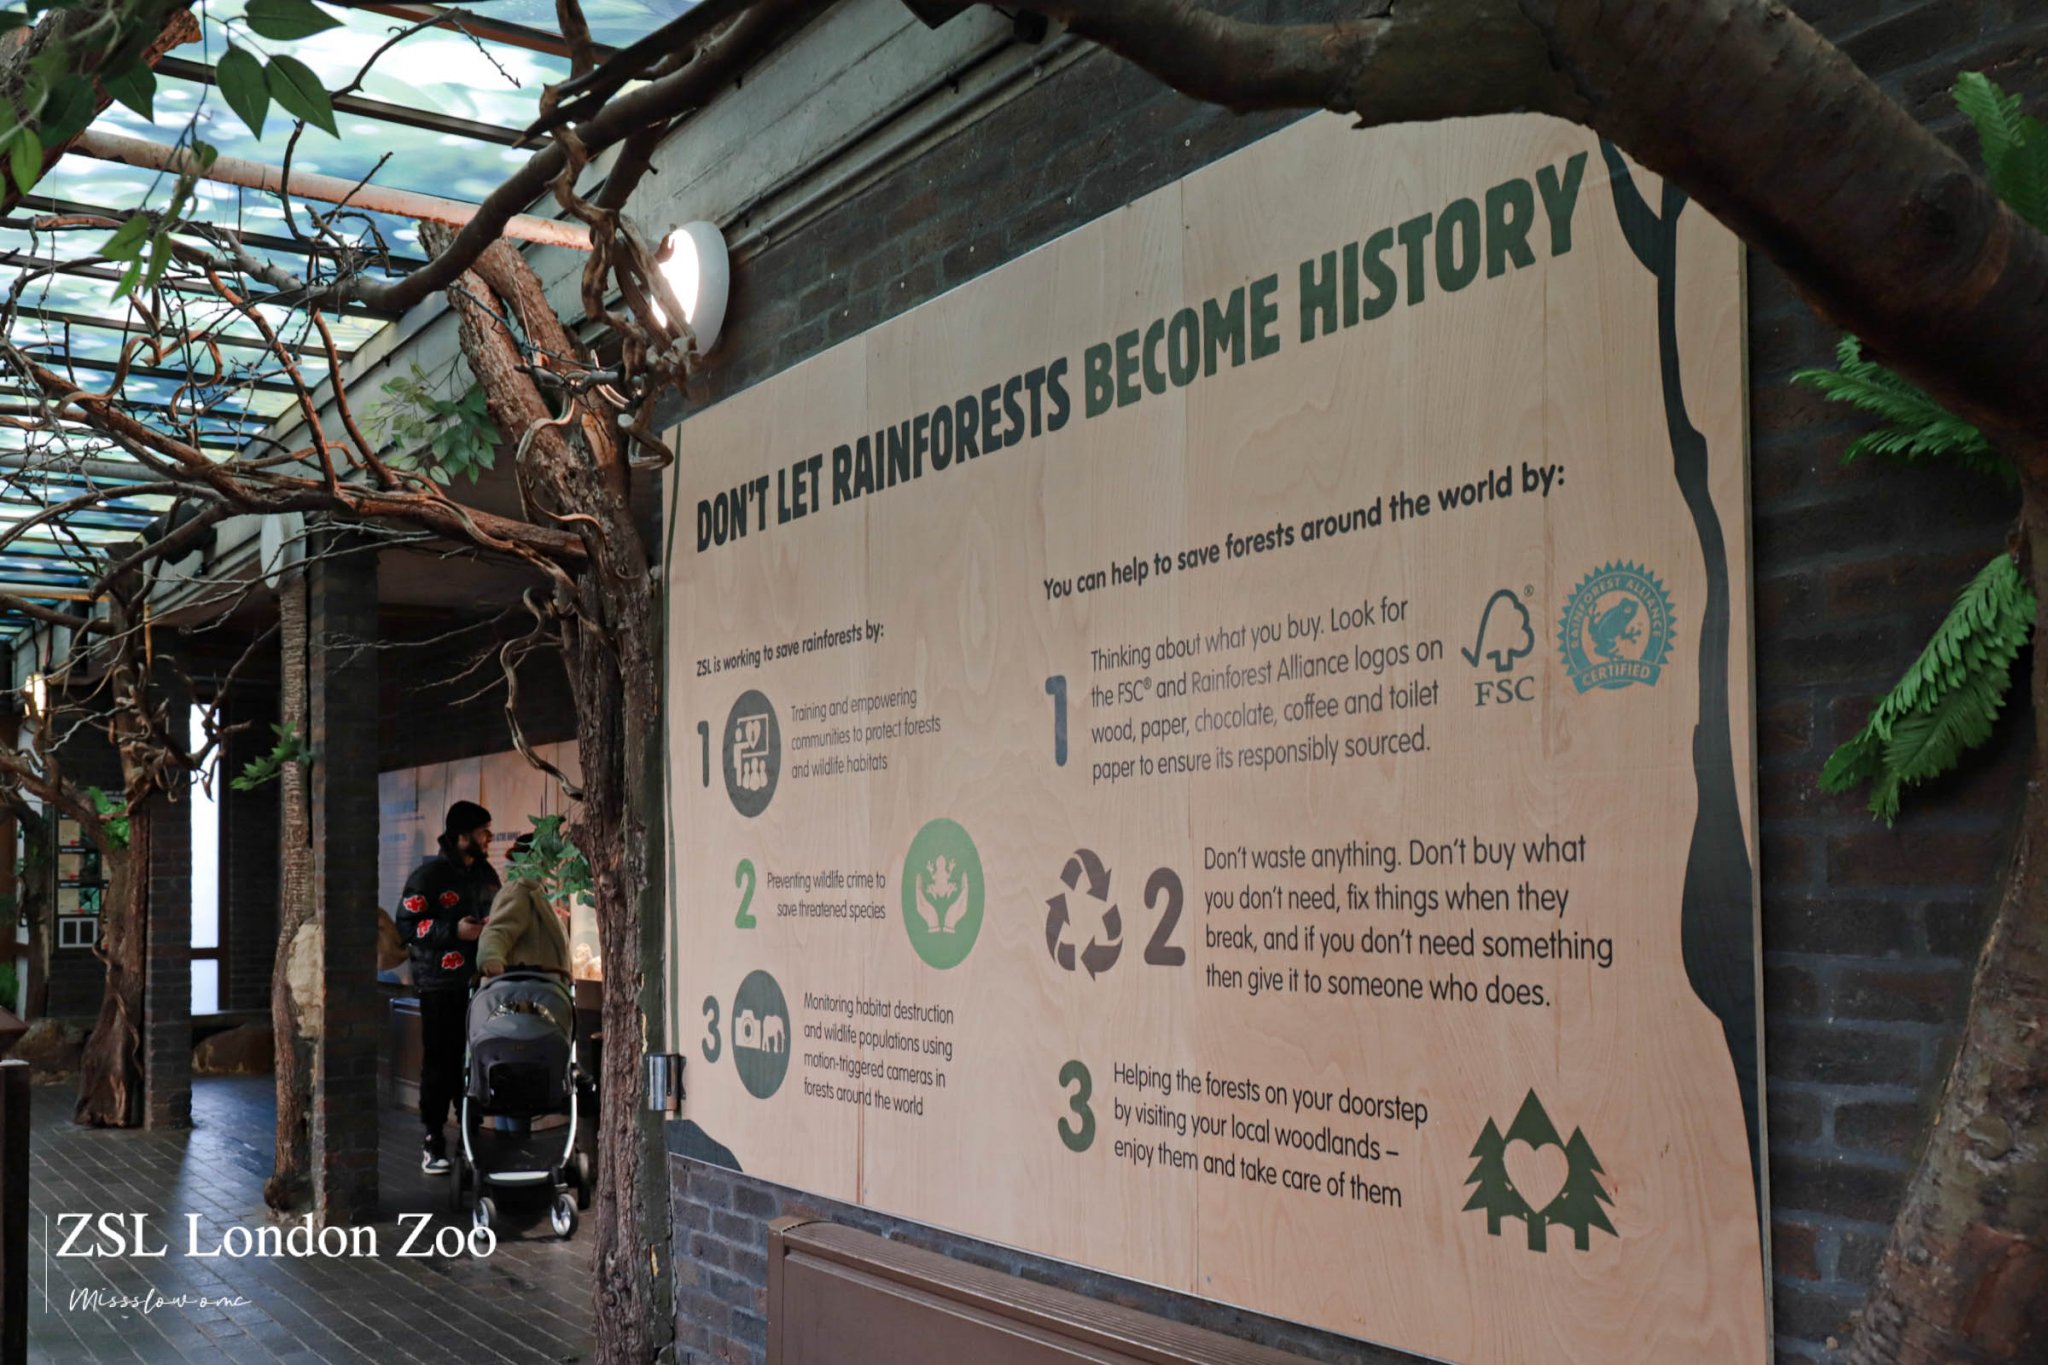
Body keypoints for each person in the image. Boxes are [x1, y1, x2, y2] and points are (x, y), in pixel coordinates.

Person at [397, 800, 500, 1174]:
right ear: (462, 837)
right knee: (440, 1063)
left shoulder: (487, 874)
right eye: (483, 832)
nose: (489, 838)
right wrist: (453, 930)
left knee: (475, 1062)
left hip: (480, 985)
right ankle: (434, 1140)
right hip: (439, 986)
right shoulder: (428, 876)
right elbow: (406, 926)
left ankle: (470, 1140)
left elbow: (499, 917)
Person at [477, 833, 571, 979]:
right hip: (526, 988)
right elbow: (498, 930)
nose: (553, 865)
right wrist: (491, 960)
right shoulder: (519, 889)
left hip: (538, 988)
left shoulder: (532, 890)